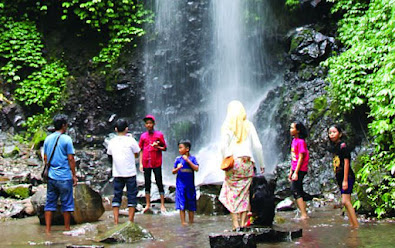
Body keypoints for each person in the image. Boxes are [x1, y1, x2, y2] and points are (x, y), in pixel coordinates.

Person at [219, 100, 265, 231]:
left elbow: (223, 146)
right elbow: (257, 146)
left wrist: (225, 160)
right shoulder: (249, 125)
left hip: (234, 162)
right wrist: (261, 163)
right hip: (247, 163)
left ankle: (235, 223)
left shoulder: (227, 125)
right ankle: (244, 222)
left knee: (231, 192)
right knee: (244, 194)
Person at [43, 114, 78, 234]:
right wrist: (74, 175)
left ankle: (48, 230)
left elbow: (45, 157)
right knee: (67, 204)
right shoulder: (66, 139)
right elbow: (71, 159)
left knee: (50, 204)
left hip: (52, 176)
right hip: (64, 177)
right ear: (63, 125)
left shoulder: (48, 139)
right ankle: (67, 229)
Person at [107, 119, 141, 224]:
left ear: (116, 129)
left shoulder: (112, 141)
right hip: (130, 172)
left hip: (117, 173)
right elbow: (137, 153)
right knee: (132, 196)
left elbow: (110, 155)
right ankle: (130, 220)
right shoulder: (131, 140)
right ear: (127, 129)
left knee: (117, 196)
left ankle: (116, 221)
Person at [328, 124, 359, 228]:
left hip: (347, 176)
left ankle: (355, 225)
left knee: (346, 201)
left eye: (334, 132)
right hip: (340, 177)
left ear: (340, 134)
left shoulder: (343, 146)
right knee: (346, 202)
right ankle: (352, 224)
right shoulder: (335, 147)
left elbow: (346, 162)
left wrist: (345, 180)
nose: (331, 135)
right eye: (330, 133)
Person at [139, 114, 167, 213]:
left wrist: (157, 147)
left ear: (154, 124)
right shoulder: (143, 136)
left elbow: (165, 148)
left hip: (156, 162)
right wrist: (141, 163)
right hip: (146, 162)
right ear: (145, 125)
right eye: (147, 123)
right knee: (147, 183)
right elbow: (141, 150)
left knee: (159, 181)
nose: (149, 125)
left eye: (150, 123)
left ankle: (163, 204)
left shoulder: (159, 135)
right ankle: (147, 204)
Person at [172, 139, 199, 225]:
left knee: (191, 202)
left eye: (181, 148)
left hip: (190, 185)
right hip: (180, 185)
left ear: (187, 149)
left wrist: (188, 161)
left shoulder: (192, 158)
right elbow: (173, 171)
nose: (179, 150)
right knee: (181, 202)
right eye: (179, 148)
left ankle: (191, 221)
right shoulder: (178, 159)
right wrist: (178, 168)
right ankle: (183, 222)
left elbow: (196, 168)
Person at [288, 122, 310, 220]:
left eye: (292, 128)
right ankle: (304, 212)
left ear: (298, 130)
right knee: (299, 189)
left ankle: (304, 214)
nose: (290, 129)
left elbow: (301, 158)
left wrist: (296, 172)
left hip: (300, 169)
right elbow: (294, 158)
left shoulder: (301, 142)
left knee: (295, 190)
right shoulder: (294, 140)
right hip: (295, 168)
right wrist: (291, 171)